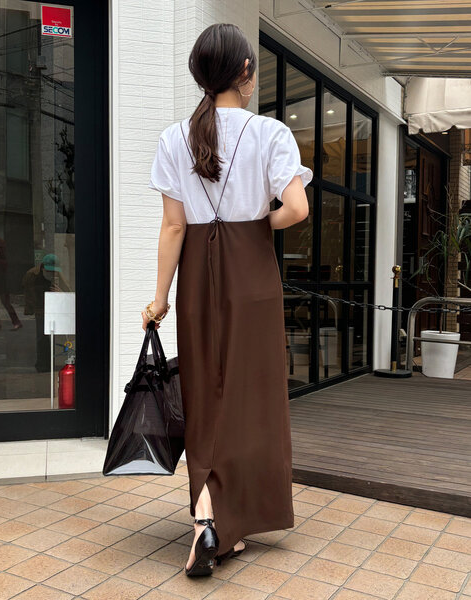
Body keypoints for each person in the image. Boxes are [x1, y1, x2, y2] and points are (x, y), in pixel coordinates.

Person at [143, 23, 312, 577]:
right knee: (250, 396)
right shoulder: (270, 133)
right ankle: (226, 519)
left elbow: (173, 227)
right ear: (245, 72)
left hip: (195, 273)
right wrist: (257, 222)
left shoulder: (175, 138)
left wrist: (160, 298)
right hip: (252, 274)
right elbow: (296, 210)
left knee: (204, 396)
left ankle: (207, 519)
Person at [22, 254, 71, 372]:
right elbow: (28, 293)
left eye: (53, 271)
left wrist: (61, 294)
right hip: (40, 308)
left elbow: (68, 291)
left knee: (56, 336)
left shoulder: (58, 275)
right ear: (43, 267)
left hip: (55, 307)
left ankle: (54, 361)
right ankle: (42, 364)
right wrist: (30, 309)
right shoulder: (31, 275)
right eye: (49, 271)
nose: (51, 273)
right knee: (42, 337)